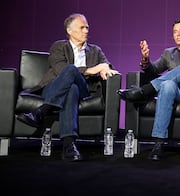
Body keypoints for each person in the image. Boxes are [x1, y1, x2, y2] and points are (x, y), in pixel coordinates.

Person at [16, 13, 119, 161]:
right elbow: (60, 70)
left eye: (87, 27)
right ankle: (69, 146)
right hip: (54, 87)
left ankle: (41, 111)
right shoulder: (58, 46)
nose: (86, 31)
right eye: (82, 27)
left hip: (85, 90)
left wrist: (104, 69)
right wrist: (92, 70)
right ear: (69, 31)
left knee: (75, 82)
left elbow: (106, 66)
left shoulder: (95, 50)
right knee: (71, 84)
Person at [117, 19, 180, 161]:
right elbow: (153, 70)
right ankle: (158, 144)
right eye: (175, 32)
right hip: (177, 93)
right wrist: (146, 60)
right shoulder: (168, 53)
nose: (177, 34)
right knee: (167, 85)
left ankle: (145, 90)